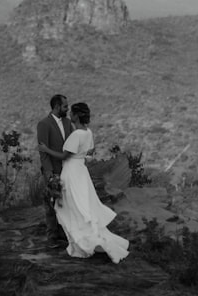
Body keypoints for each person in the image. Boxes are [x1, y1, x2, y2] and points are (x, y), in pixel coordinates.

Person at [38, 102, 129, 263]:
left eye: (72, 113)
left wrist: (46, 150)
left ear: (77, 116)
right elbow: (90, 152)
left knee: (71, 205)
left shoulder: (77, 135)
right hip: (81, 170)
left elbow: (63, 156)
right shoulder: (88, 132)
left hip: (72, 172)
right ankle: (79, 235)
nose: (69, 115)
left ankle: (80, 240)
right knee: (81, 204)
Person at [36, 94, 71, 244]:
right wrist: (49, 173)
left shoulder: (68, 122)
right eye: (65, 106)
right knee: (51, 204)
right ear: (57, 107)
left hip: (68, 170)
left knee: (66, 203)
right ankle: (52, 236)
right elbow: (43, 152)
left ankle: (63, 232)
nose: (67, 108)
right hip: (53, 170)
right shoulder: (44, 124)